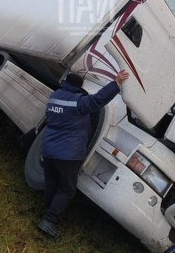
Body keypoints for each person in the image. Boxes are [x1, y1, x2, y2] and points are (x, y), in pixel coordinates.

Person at [37, 69, 130, 239]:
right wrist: (116, 83)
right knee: (66, 189)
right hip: (67, 155)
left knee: (51, 183)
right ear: (78, 87)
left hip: (49, 149)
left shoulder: (54, 96)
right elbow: (98, 100)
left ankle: (47, 212)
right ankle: (49, 220)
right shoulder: (78, 103)